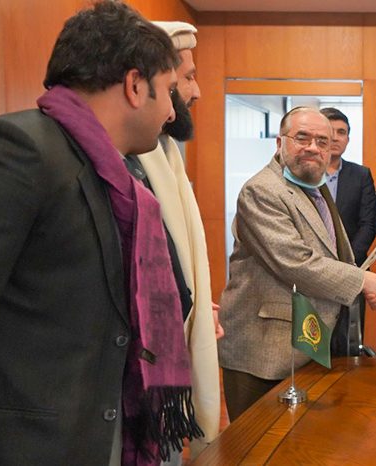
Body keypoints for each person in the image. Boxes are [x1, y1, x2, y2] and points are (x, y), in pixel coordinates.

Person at [0, 2, 201, 465]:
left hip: (103, 430)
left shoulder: (121, 179)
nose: (172, 112)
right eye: (169, 90)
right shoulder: (22, 149)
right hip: (33, 444)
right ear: (134, 85)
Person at [217, 107, 376, 421]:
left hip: (306, 346)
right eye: (302, 138)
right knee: (259, 442)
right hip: (264, 352)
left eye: (322, 141)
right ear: (279, 142)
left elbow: (333, 254)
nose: (313, 147)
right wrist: (363, 282)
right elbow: (296, 262)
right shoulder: (262, 190)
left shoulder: (314, 187)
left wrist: (366, 284)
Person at [127, 21, 221, 461]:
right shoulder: (129, 159)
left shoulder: (167, 153)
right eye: (185, 79)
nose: (196, 91)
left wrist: (195, 301)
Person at [319, 107, 375, 356]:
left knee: (349, 340)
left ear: (348, 139)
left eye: (341, 132)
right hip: (313, 268)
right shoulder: (306, 174)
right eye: (329, 131)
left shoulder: (361, 174)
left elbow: (368, 223)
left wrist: (347, 262)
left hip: (353, 268)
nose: (335, 137)